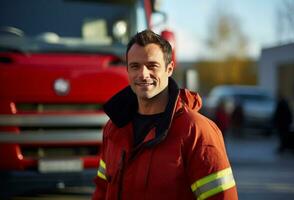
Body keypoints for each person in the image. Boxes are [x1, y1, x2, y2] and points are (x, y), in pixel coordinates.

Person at [92, 30, 238, 200]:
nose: (143, 74)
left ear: (169, 69)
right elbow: (102, 189)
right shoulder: (113, 128)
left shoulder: (197, 131)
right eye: (135, 66)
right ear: (127, 70)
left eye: (152, 66)